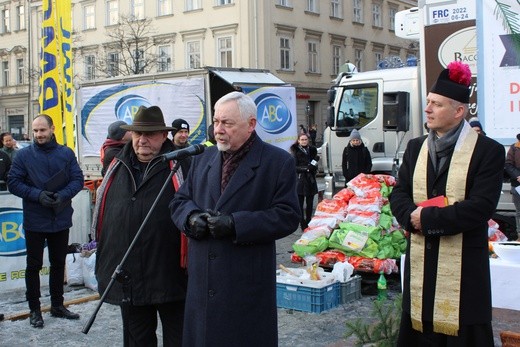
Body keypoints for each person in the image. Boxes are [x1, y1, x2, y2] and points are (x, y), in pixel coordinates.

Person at [169, 91, 300, 346]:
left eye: (227, 123)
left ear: (251, 125)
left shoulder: (277, 162)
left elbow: (287, 215)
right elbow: (179, 202)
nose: (218, 130)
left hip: (244, 284)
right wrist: (191, 218)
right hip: (203, 282)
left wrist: (236, 224)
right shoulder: (202, 158)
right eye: (216, 122)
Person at [389, 61, 505, 346]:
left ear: (459, 111)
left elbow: (481, 207)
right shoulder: (417, 147)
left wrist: (424, 220)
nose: (427, 109)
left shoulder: (487, 150)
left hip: (464, 276)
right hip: (420, 274)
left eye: (436, 104)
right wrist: (408, 216)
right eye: (428, 102)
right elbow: (399, 193)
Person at [93, 105, 187, 346]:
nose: (142, 140)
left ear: (164, 136)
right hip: (130, 277)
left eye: (150, 134)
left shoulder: (182, 166)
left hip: (172, 275)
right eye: (137, 134)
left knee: (180, 339)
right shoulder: (117, 165)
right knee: (137, 341)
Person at [7, 114, 84, 328]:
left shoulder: (66, 153)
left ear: (52, 129)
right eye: (35, 131)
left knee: (58, 264)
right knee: (34, 266)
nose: (38, 134)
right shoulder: (23, 156)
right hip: (35, 220)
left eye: (42, 130)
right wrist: (37, 195)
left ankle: (57, 306)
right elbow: (13, 182)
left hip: (60, 218)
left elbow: (78, 179)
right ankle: (34, 310)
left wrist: (63, 195)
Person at [290, 133, 319, 230]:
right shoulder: (295, 151)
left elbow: (315, 164)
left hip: (310, 179)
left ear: (308, 140)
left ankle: (309, 221)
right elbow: (294, 167)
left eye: (305, 139)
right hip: (300, 180)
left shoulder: (312, 150)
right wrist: (306, 169)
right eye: (302, 139)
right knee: (300, 203)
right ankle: (302, 222)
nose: (304, 141)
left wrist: (313, 167)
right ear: (298, 141)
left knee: (310, 202)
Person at [505, 133, 520, 239]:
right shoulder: (514, 147)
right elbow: (508, 164)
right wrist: (517, 175)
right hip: (517, 185)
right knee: (519, 211)